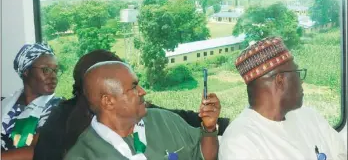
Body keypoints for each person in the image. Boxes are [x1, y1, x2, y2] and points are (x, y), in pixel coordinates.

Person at [34, 50, 229, 160]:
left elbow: (204, 156)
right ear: (108, 101)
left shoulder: (165, 121)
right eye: (134, 87)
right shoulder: (83, 156)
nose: (143, 91)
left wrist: (209, 128)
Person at [219, 37, 347, 160]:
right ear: (280, 80)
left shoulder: (310, 116)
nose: (301, 81)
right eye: (297, 73)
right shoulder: (239, 142)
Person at [1, 43, 63, 160]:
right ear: (26, 71)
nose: (53, 76)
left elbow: (41, 149)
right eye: (46, 70)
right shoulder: (5, 105)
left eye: (55, 70)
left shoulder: (59, 108)